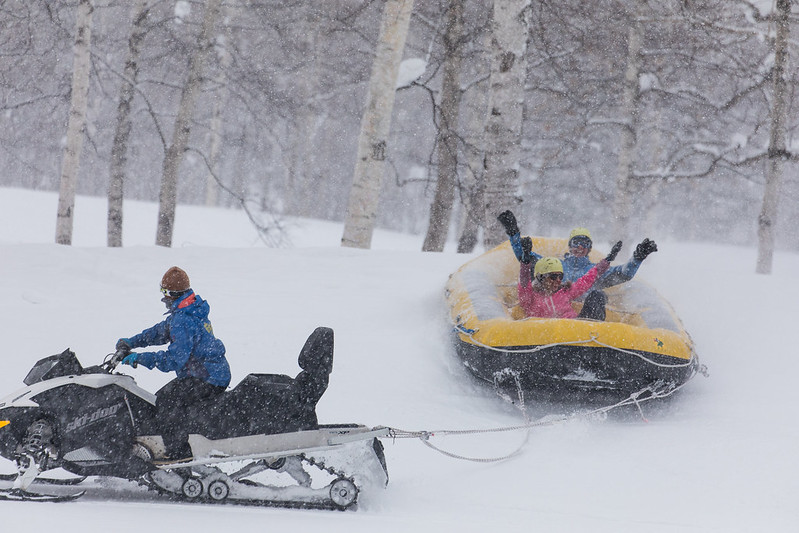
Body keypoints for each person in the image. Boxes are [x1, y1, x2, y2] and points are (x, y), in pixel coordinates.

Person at [115, 266, 230, 460]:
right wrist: (132, 342)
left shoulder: (183, 319)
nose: (163, 299)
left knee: (167, 402)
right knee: (164, 399)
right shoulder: (189, 310)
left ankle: (179, 456)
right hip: (210, 373)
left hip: (208, 377)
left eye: (164, 293)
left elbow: (173, 360)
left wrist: (139, 359)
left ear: (171, 294)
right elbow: (160, 331)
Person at [497, 210, 658, 290]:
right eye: (576, 242)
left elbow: (624, 273)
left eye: (585, 243)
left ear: (590, 248)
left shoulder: (595, 271)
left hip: (583, 321)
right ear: (570, 246)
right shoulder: (554, 265)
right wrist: (513, 232)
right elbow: (524, 257)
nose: (580, 247)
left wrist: (637, 258)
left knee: (597, 296)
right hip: (554, 312)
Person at [517, 240, 622, 320]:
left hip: (575, 330)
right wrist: (525, 259)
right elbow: (524, 282)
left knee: (597, 295)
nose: (558, 280)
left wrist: (608, 260)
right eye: (553, 276)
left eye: (560, 276)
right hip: (546, 335)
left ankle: (597, 337)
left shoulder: (565, 292)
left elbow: (586, 280)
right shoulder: (530, 297)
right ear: (540, 278)